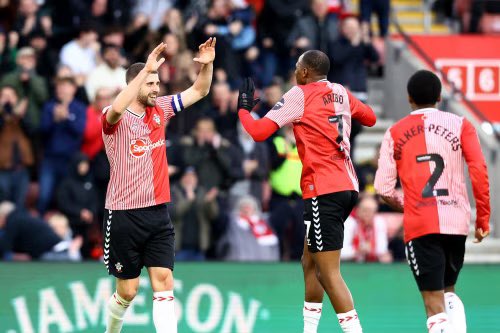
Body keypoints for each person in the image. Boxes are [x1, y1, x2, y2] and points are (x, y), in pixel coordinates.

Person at [237, 50, 376, 333]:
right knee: (309, 261)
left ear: (303, 73)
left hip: (322, 188)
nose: (294, 72)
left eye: (297, 68)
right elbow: (371, 118)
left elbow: (259, 131)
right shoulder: (339, 91)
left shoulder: (299, 94)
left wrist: (243, 109)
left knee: (328, 271)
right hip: (347, 184)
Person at [101, 37, 216, 333]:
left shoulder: (160, 109)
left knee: (164, 283)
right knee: (127, 292)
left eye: (157, 83)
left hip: (157, 213)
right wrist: (145, 69)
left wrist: (207, 65)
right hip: (123, 214)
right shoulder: (114, 118)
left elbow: (200, 90)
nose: (156, 88)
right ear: (135, 83)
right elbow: (115, 108)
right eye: (150, 83)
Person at [374, 70, 490, 333]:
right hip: (455, 222)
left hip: (421, 224)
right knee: (448, 293)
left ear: (409, 98)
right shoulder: (462, 124)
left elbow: (383, 187)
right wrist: (482, 218)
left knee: (433, 303)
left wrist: (411, 204)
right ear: (439, 97)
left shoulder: (394, 133)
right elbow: (479, 170)